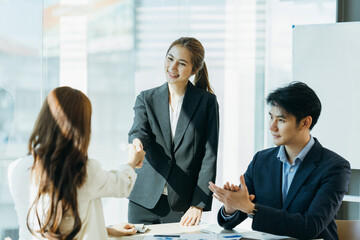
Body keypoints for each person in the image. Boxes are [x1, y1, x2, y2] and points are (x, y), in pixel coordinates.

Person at [209, 82, 351, 240]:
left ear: (305, 122)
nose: (272, 126)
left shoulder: (335, 167)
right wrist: (231, 207)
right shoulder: (261, 161)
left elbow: (311, 227)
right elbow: (230, 222)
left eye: (281, 120)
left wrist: (251, 208)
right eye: (271, 117)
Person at [8, 86, 145, 240]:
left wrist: (108, 230)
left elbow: (57, 223)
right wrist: (133, 159)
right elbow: (121, 184)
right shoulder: (83, 171)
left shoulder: (17, 168)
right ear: (81, 127)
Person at [128, 37, 219, 226]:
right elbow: (139, 130)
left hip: (182, 205)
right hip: (143, 200)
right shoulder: (146, 98)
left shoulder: (207, 102)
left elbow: (209, 156)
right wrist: (137, 143)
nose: (172, 67)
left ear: (194, 70)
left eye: (181, 63)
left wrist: (198, 204)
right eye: (170, 59)